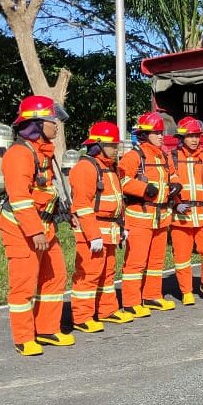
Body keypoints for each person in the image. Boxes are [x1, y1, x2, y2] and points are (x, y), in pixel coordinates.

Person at [0, 95, 75, 356]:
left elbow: (47, 192)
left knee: (55, 276)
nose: (56, 125)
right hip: (22, 229)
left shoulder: (43, 152)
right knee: (24, 282)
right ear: (37, 124)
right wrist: (34, 231)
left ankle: (47, 329)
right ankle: (23, 337)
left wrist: (66, 214)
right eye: (52, 120)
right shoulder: (19, 154)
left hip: (45, 226)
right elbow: (20, 199)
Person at [69, 122, 135, 333]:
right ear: (98, 145)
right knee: (89, 274)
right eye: (112, 145)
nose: (116, 149)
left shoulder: (110, 167)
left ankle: (107, 310)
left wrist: (122, 226)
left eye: (116, 144)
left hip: (110, 230)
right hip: (93, 232)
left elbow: (117, 200)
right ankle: (82, 317)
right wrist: (93, 235)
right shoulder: (85, 167)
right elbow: (82, 206)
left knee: (107, 274)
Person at [118, 111, 182, 317]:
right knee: (136, 261)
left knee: (156, 261)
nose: (161, 136)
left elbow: (173, 175)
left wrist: (176, 185)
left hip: (161, 218)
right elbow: (121, 181)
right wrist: (144, 189)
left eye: (162, 132)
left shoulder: (164, 155)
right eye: (157, 132)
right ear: (145, 134)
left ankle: (152, 295)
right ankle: (131, 301)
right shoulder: (134, 156)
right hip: (139, 218)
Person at [168, 117, 203, 305]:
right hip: (181, 217)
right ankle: (186, 291)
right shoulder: (172, 158)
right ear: (181, 137)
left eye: (197, 136)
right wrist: (175, 203)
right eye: (190, 136)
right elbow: (167, 184)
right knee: (182, 257)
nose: (194, 140)